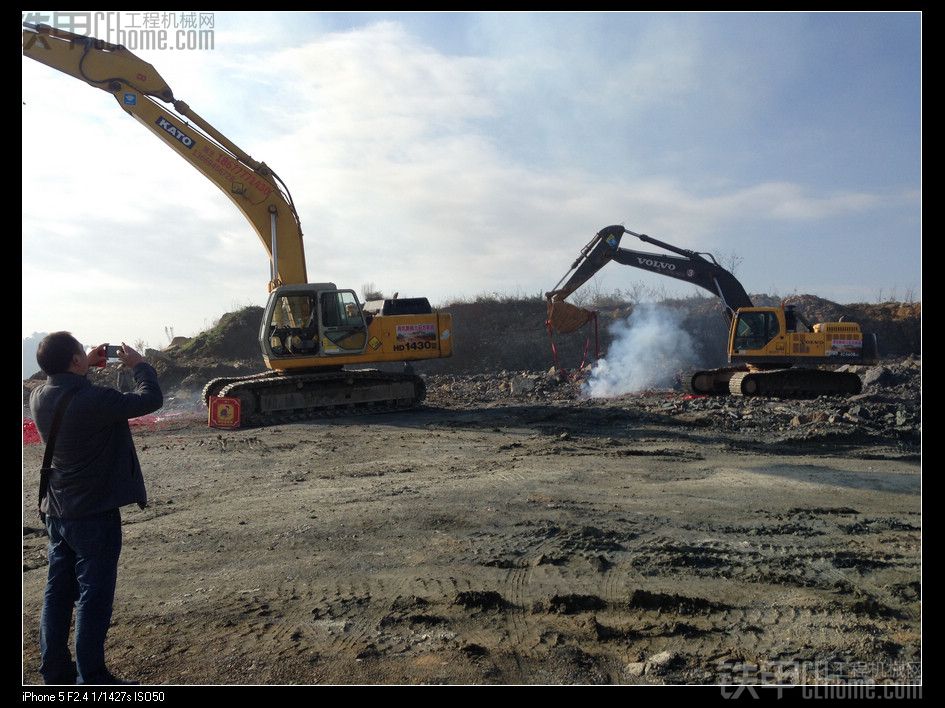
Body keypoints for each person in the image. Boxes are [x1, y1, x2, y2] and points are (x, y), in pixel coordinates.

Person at [29, 332, 163, 685]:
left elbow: (66, 386)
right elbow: (150, 399)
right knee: (94, 595)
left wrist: (83, 363)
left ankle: (55, 672)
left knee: (58, 592)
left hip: (57, 511)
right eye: (80, 355)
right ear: (75, 361)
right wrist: (140, 365)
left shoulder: (38, 396)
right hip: (94, 514)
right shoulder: (95, 399)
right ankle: (93, 677)